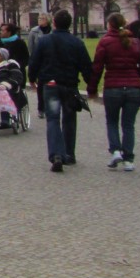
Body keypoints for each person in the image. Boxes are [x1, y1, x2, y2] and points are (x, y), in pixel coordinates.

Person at [28, 10, 93, 172]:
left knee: (53, 119)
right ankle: (69, 154)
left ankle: (56, 154)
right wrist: (90, 84)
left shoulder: (44, 41)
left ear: (54, 23)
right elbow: (86, 66)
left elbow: (35, 61)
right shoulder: (77, 42)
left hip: (50, 84)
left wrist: (32, 77)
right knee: (69, 119)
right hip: (69, 84)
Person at [88, 13, 140, 172]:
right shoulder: (135, 42)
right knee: (128, 124)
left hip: (112, 87)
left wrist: (92, 89)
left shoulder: (106, 42)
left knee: (112, 121)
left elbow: (97, 67)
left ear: (109, 25)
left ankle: (115, 151)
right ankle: (129, 158)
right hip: (133, 87)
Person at [27, 13, 53, 117]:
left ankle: (50, 106)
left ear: (47, 20)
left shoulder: (53, 31)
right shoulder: (34, 31)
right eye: (39, 18)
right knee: (41, 86)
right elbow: (31, 47)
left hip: (51, 60)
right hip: (39, 60)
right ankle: (41, 108)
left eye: (42, 18)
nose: (40, 20)